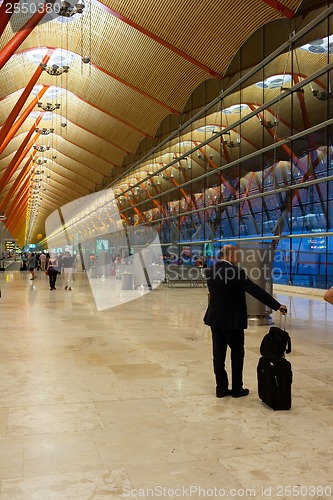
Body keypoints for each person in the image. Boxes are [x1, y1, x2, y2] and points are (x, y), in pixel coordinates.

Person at [204, 244, 287, 399]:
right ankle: (237, 389)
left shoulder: (210, 271)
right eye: (237, 255)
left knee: (218, 355)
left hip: (215, 319)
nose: (239, 258)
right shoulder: (235, 272)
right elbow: (255, 290)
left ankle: (221, 388)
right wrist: (276, 305)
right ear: (230, 255)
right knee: (237, 354)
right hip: (232, 321)